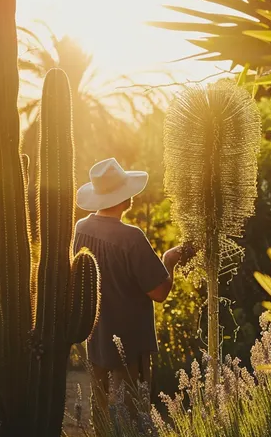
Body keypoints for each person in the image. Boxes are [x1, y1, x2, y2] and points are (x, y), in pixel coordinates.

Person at [73, 157, 193, 413]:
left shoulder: (80, 229)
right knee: (132, 417)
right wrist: (168, 260)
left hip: (95, 339)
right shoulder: (131, 238)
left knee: (101, 413)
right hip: (129, 342)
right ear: (124, 198)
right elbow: (159, 292)